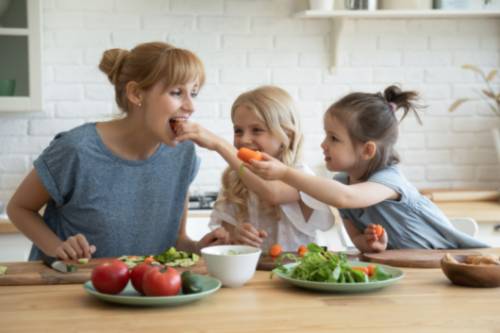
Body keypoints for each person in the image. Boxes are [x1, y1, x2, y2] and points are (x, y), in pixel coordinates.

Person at [6, 41, 229, 261]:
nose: (191, 106)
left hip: (142, 292)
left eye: (194, 93)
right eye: (177, 92)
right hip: (70, 287)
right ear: (136, 94)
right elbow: (19, 208)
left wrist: (199, 247)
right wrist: (57, 247)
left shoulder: (183, 154)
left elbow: (175, 240)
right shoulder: (76, 149)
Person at [247, 85, 490, 252]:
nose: (324, 144)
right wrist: (371, 243)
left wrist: (285, 173)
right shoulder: (341, 183)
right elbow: (358, 240)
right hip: (407, 269)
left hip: (451, 260)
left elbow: (345, 198)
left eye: (334, 138)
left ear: (367, 150)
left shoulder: (389, 180)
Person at [175, 86, 334, 252]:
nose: (244, 139)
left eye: (257, 130)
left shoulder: (300, 175)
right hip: (252, 274)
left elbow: (272, 193)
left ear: (286, 135)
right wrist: (236, 235)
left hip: (295, 272)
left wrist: (219, 145)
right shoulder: (235, 179)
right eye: (238, 131)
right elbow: (226, 232)